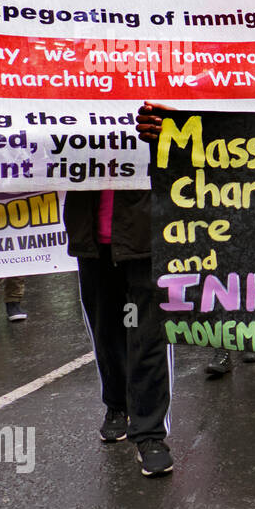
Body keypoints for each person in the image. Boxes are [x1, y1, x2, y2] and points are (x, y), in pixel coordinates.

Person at [64, 187, 174, 477]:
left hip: (146, 233)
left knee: (148, 334)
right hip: (91, 236)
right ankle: (117, 405)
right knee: (106, 329)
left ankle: (150, 434)